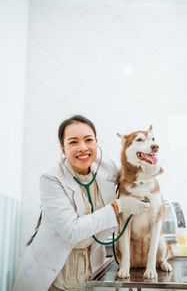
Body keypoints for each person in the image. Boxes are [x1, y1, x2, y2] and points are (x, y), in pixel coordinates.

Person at [13, 115, 149, 291]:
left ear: (96, 142)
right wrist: (118, 206)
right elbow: (72, 231)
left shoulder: (106, 168)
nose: (83, 148)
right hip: (53, 275)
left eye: (88, 140)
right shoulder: (51, 179)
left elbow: (131, 176)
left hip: (89, 272)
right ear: (63, 149)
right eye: (73, 142)